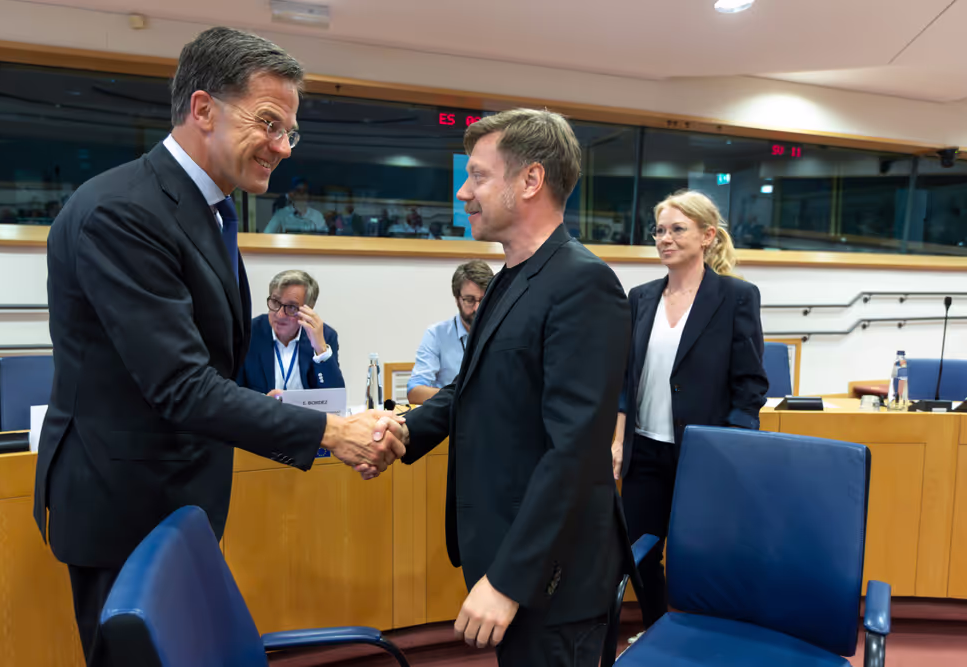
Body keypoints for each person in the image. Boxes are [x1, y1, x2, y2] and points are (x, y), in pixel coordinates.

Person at [32, 27, 404, 667]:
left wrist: (324, 419)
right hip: (123, 508)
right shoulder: (123, 212)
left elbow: (213, 370)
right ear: (203, 109)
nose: (283, 148)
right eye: (269, 124)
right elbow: (181, 387)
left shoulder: (216, 210)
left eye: (291, 131)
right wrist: (333, 432)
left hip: (177, 502)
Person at [369, 109, 634, 666]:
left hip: (553, 576)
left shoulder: (583, 283)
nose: (463, 192)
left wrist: (510, 580)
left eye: (479, 176)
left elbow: (576, 451)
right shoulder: (509, 279)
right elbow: (469, 389)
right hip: (512, 548)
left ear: (530, 181)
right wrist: (398, 432)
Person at [611, 190, 768, 633]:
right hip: (646, 452)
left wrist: (731, 447)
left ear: (707, 236)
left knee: (705, 552)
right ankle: (658, 627)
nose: (665, 238)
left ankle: (709, 634)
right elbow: (627, 378)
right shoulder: (640, 297)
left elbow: (750, 384)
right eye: (659, 230)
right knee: (637, 549)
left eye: (677, 229)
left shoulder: (736, 296)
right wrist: (619, 438)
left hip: (705, 454)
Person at [238, 269, 344, 394]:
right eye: (275, 302)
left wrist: (320, 349)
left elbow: (334, 398)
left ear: (308, 310)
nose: (279, 314)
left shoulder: (325, 336)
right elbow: (233, 391)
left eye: (291, 307)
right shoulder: (249, 333)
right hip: (262, 413)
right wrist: (262, 401)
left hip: (307, 413)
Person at [405, 260, 493, 405]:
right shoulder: (437, 335)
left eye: (483, 300)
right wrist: (463, 396)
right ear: (457, 300)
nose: (477, 308)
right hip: (450, 417)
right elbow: (414, 392)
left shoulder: (503, 333)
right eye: (469, 300)